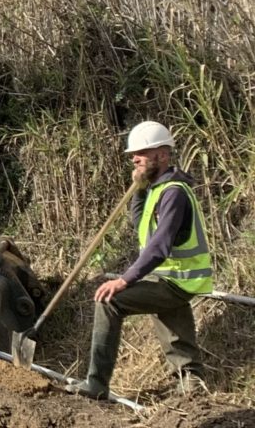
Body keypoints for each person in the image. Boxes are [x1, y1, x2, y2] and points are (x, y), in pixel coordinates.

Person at [67, 121, 211, 400]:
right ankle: (191, 380)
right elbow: (141, 226)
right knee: (170, 316)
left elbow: (159, 246)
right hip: (171, 277)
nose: (135, 158)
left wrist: (124, 280)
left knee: (109, 302)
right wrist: (140, 189)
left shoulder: (174, 193)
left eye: (143, 152)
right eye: (134, 154)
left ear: (163, 155)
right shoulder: (159, 190)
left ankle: (96, 384)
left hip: (178, 278)